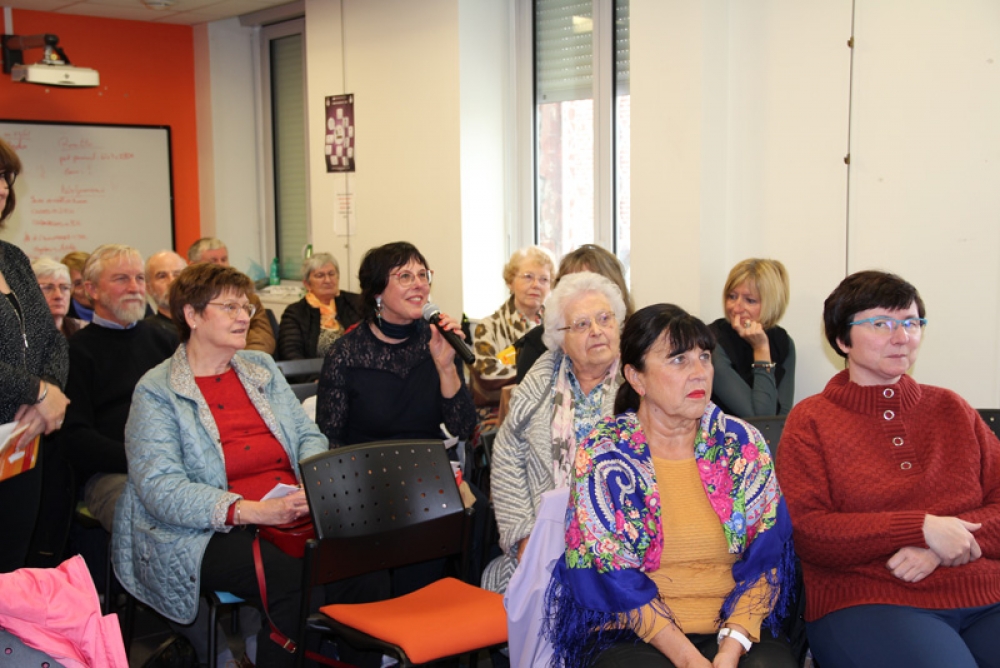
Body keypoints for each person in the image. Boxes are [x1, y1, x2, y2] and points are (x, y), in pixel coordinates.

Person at [112, 263, 387, 668]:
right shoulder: (158, 389)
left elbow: (306, 434)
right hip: (203, 526)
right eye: (230, 308)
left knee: (366, 564)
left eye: (247, 307)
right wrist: (252, 510)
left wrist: (310, 482)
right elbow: (160, 487)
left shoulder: (260, 367)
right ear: (191, 315)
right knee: (291, 580)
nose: (244, 316)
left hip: (288, 507)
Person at [544, 304, 796, 668]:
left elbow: (767, 556)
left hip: (731, 626)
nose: (699, 373)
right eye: (678, 360)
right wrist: (690, 661)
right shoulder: (605, 454)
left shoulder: (740, 444)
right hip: (633, 629)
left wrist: (730, 648)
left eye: (704, 357)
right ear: (637, 378)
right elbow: (614, 575)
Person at [776, 270, 1000, 668]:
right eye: (881, 324)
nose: (902, 337)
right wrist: (920, 527)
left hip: (984, 592)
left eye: (911, 323)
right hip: (869, 600)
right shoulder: (811, 421)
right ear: (843, 340)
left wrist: (941, 546)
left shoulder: (951, 408)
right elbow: (809, 532)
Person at [484, 271, 625, 594]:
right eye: (582, 324)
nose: (597, 331)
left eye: (605, 319)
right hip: (542, 541)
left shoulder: (638, 384)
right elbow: (507, 459)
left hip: (619, 546)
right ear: (560, 337)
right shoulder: (540, 382)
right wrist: (524, 537)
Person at [60, 245, 177, 532]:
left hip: (173, 463)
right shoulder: (74, 352)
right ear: (92, 289)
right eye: (121, 279)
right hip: (112, 473)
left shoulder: (166, 341)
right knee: (148, 523)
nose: (135, 288)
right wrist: (141, 459)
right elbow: (75, 437)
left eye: (139, 278)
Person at [316, 241, 475, 448]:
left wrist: (447, 368)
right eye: (405, 276)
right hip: (368, 463)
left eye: (422, 275)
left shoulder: (439, 340)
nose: (419, 284)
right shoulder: (344, 354)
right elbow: (329, 439)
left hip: (430, 461)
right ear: (377, 291)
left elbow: (463, 428)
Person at [0, 138, 70, 573]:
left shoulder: (12, 258)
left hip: (20, 440)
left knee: (13, 569)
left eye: (5, 178)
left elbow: (52, 339)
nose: (2, 188)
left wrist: (51, 393)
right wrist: (38, 391)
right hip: (22, 417)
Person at [515, 243, 635, 382]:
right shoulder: (538, 345)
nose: (579, 294)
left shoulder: (639, 344)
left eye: (591, 286)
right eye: (569, 287)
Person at [470, 245, 555, 407]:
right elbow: (487, 374)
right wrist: (544, 371)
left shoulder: (557, 324)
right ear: (510, 282)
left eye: (544, 279)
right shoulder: (489, 327)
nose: (536, 285)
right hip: (500, 410)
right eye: (528, 277)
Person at [708, 259, 794, 418]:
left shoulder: (783, 342)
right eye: (732, 296)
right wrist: (761, 350)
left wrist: (763, 348)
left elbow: (781, 419)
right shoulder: (712, 341)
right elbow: (760, 417)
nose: (736, 308)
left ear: (771, 304)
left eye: (750, 300)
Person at [187, 237, 275, 354]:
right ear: (193, 266)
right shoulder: (187, 301)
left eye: (224, 259)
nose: (220, 265)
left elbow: (262, 339)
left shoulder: (249, 299)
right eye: (213, 261)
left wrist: (238, 360)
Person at [277, 252, 362, 361]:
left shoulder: (356, 302)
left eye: (331, 274)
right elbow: (290, 353)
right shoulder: (295, 313)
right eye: (320, 275)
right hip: (315, 370)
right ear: (307, 284)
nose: (327, 280)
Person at [32, 257, 85, 338]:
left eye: (64, 288)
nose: (59, 296)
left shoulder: (83, 330)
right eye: (48, 288)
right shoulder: (18, 334)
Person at [144, 249, 187, 338]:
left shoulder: (205, 324)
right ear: (148, 288)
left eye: (177, 275)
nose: (172, 282)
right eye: (162, 276)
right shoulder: (147, 333)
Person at [61, 250, 94, 322]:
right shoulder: (61, 319)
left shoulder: (116, 307)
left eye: (90, 279)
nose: (87, 288)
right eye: (78, 284)